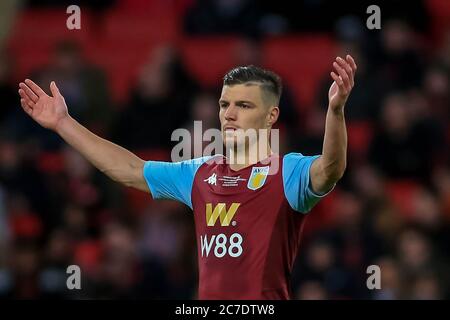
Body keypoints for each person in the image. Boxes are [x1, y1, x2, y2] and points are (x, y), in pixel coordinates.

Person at [17, 55, 357, 299]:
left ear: (271, 116)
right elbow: (129, 169)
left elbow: (331, 168)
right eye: (225, 105)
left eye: (244, 106)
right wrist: (63, 123)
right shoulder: (199, 173)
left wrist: (336, 110)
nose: (229, 115)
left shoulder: (288, 172)